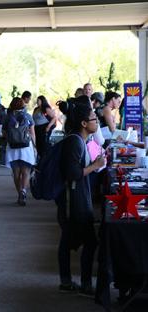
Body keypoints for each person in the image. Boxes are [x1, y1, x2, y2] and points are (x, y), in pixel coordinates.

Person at [56, 98, 105, 297]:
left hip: (78, 197)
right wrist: (94, 165)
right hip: (72, 200)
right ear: (84, 123)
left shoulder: (79, 140)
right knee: (80, 242)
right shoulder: (75, 141)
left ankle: (69, 282)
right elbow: (73, 173)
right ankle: (78, 284)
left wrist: (92, 163)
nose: (97, 122)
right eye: (94, 119)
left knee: (72, 241)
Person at [3, 97, 36, 206]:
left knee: (16, 173)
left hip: (12, 148)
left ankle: (19, 195)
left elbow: (4, 133)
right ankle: (23, 191)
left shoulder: (7, 117)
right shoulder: (27, 116)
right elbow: (32, 133)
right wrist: (35, 146)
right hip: (26, 147)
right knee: (26, 172)